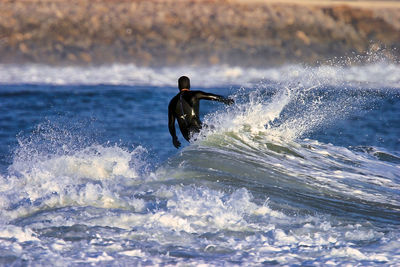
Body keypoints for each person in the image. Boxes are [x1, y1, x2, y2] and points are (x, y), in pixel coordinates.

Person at [168, 76, 234, 148]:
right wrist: (226, 100)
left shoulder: (172, 102)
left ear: (178, 86)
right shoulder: (194, 94)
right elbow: (210, 96)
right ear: (189, 85)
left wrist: (174, 138)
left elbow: (171, 124)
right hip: (198, 130)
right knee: (219, 130)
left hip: (187, 136)